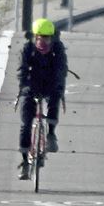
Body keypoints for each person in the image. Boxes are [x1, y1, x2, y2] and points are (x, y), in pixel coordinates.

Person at [17, 18, 68, 180]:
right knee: (26, 123)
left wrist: (59, 88)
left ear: (52, 38)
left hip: (50, 84)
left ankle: (51, 134)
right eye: (40, 38)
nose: (43, 42)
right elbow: (22, 70)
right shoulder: (28, 49)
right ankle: (25, 161)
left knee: (55, 98)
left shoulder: (57, 50)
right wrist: (24, 87)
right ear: (35, 37)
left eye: (46, 38)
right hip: (32, 86)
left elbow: (61, 71)